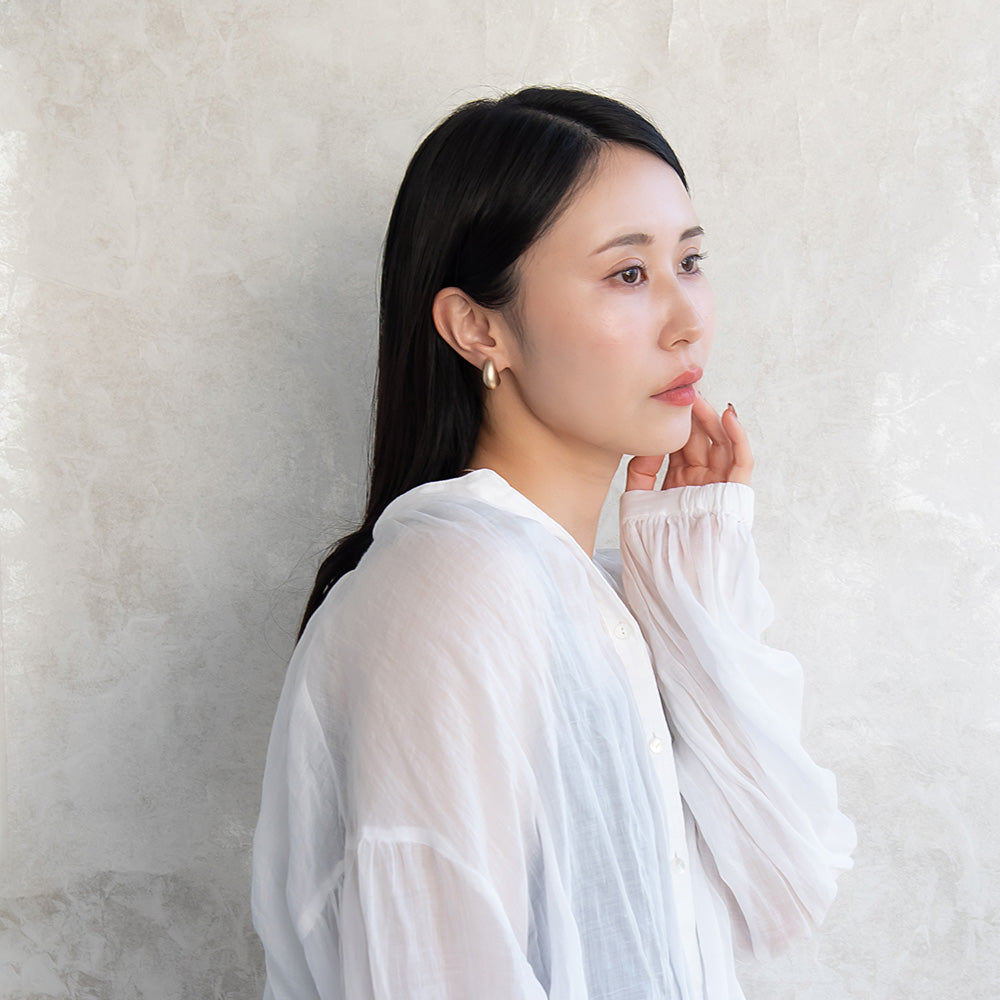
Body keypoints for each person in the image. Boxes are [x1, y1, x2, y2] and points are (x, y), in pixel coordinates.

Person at [251, 86, 856, 1000]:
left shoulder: (590, 594)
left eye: (690, 261)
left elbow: (782, 881)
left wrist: (686, 582)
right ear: (478, 327)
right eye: (628, 274)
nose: (688, 319)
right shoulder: (453, 589)